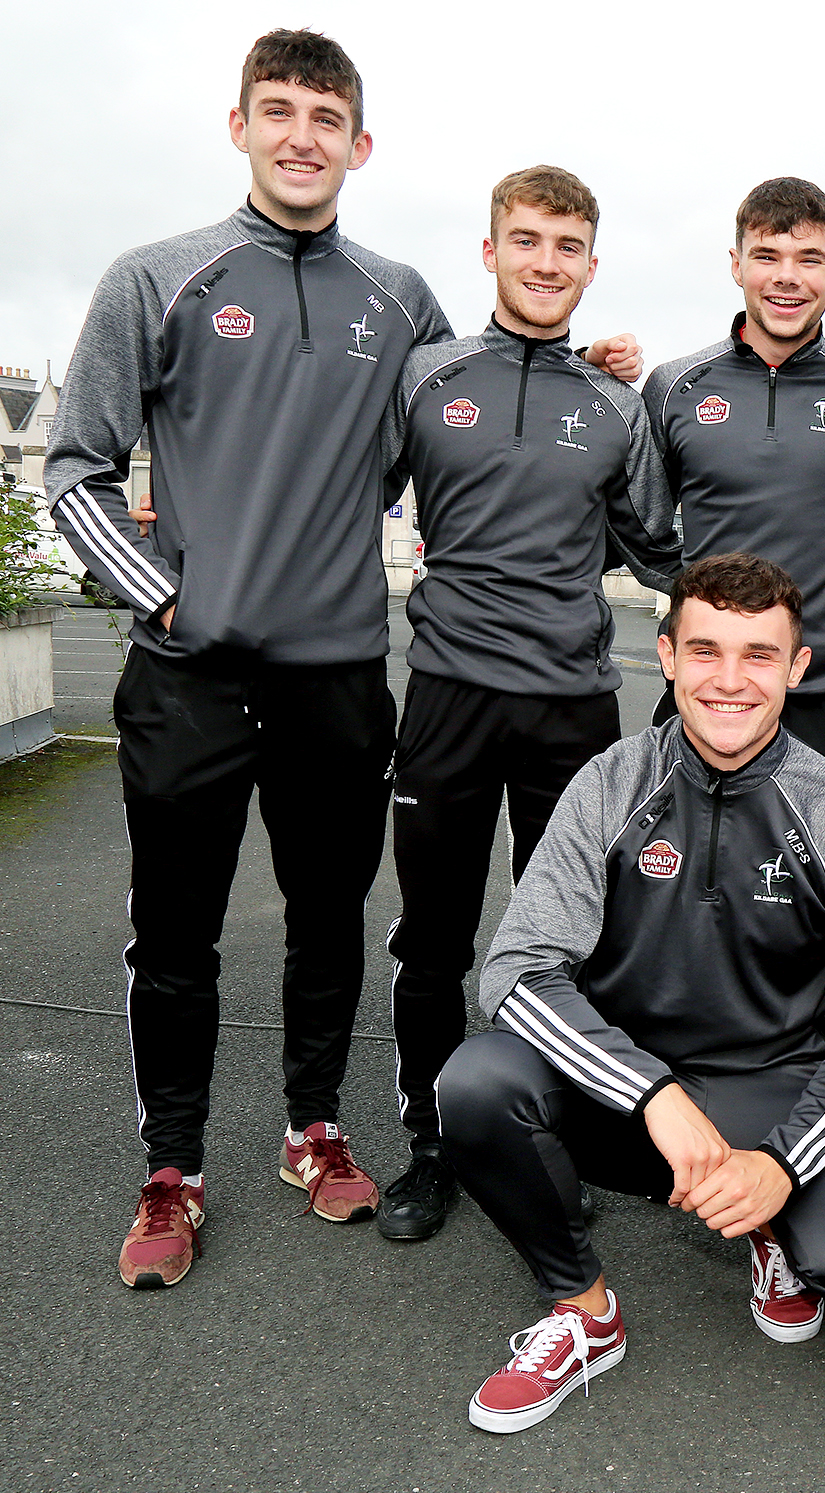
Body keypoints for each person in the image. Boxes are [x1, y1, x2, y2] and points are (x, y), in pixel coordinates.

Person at [44, 29, 453, 1288]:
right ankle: (171, 1169)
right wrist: (168, 598)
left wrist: (594, 372)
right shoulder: (156, 276)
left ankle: (313, 1129)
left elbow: (442, 435)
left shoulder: (402, 297)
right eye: (277, 112)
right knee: (176, 937)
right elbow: (74, 472)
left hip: (336, 676)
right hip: (188, 676)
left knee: (330, 916)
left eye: (325, 118)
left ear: (360, 145)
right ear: (239, 126)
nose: (301, 137)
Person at [440, 554, 825, 1434]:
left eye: (758, 655)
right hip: (625, 1093)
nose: (729, 680)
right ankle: (584, 1311)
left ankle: (771, 1224)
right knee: (475, 1084)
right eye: (704, 651)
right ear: (665, 655)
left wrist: (780, 1163)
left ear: (798, 667)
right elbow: (512, 971)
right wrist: (651, 1091)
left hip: (772, 1084)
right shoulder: (610, 783)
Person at [374, 165, 680, 1243]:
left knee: (568, 942)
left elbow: (663, 547)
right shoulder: (424, 375)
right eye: (527, 241)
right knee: (433, 938)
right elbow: (337, 496)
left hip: (571, 712)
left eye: (567, 248)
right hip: (449, 698)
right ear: (492, 251)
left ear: (591, 267)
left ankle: (553, 1134)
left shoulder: (613, 404)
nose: (545, 263)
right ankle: (430, 1140)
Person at [643, 178, 825, 793]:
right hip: (705, 692)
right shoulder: (675, 386)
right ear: (736, 265)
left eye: (810, 259)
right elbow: (639, 518)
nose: (787, 276)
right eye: (767, 256)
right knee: (675, 878)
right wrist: (692, 580)